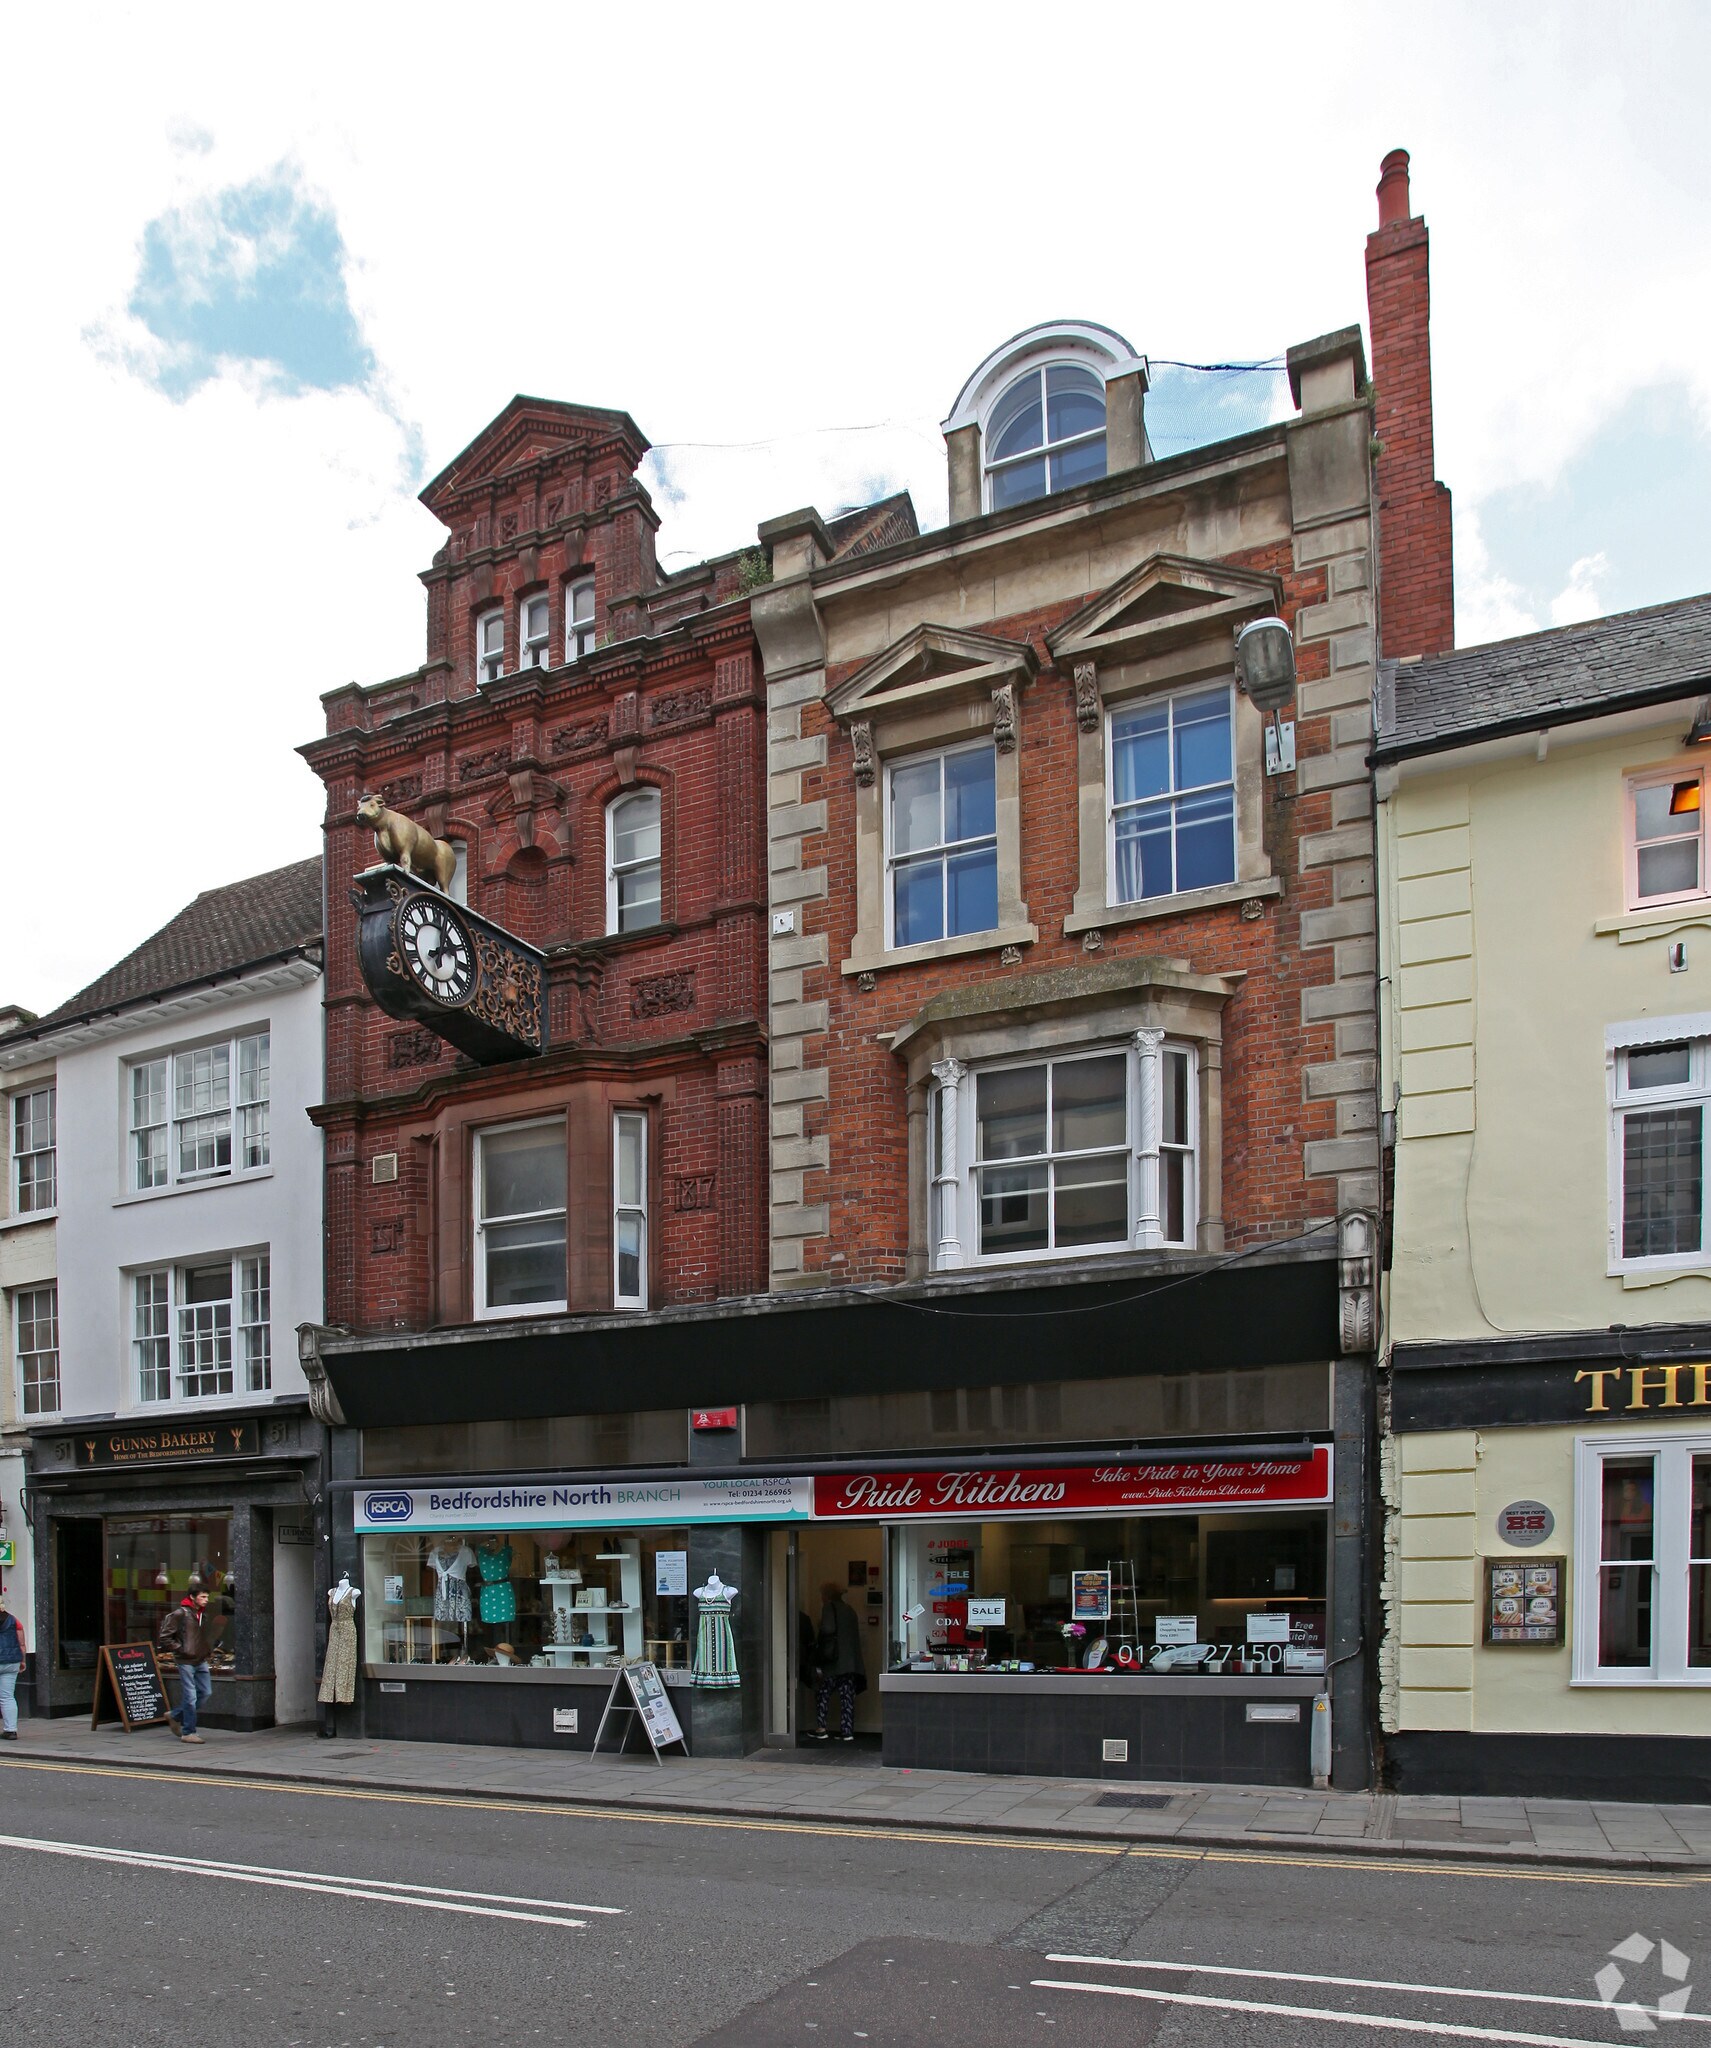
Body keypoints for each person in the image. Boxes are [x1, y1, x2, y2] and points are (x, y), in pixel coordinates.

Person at [158, 1583, 214, 1743]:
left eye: (207, 1597)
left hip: (200, 1659)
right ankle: (188, 1732)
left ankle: (175, 1715)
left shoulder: (201, 1614)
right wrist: (181, 1650)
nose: (206, 1600)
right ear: (192, 1597)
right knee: (190, 1696)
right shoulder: (180, 1613)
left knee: (205, 1693)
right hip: (186, 1660)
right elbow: (165, 1637)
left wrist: (206, 1651)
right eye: (202, 1597)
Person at [812, 1581, 864, 1742]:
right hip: (850, 1662)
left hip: (833, 1661)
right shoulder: (850, 1610)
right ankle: (847, 1731)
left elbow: (828, 1629)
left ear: (826, 1595)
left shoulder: (829, 1607)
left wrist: (819, 1625)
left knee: (823, 1693)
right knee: (847, 1697)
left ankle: (821, 1728)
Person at [0, 1595, 25, 1740]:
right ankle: (11, 1731)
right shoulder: (14, 1620)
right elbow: (21, 1643)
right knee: (7, 1697)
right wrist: (23, 1661)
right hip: (11, 1661)